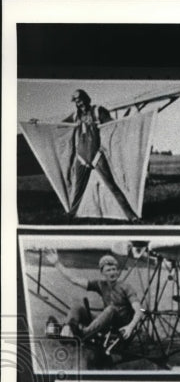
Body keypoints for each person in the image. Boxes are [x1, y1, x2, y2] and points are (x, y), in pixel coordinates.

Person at [64, 89, 141, 222]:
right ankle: (71, 215)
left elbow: (112, 125)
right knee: (78, 189)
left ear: (86, 99)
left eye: (81, 100)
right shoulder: (76, 115)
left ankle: (131, 216)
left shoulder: (98, 111)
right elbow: (61, 124)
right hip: (81, 156)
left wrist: (127, 121)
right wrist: (38, 123)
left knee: (112, 185)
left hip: (96, 155)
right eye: (76, 101)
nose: (79, 103)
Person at [48, 249, 144, 346]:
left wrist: (130, 327)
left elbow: (139, 311)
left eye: (114, 269)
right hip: (107, 323)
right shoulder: (101, 285)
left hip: (121, 327)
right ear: (102, 273)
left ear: (118, 271)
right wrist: (57, 263)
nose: (112, 273)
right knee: (77, 307)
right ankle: (68, 328)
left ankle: (81, 335)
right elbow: (75, 280)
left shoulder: (126, 287)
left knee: (110, 309)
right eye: (108, 270)